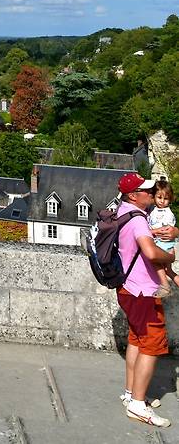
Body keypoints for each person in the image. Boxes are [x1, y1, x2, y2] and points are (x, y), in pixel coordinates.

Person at [116, 172, 177, 428]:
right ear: (134, 195)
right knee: (152, 344)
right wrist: (171, 257)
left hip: (127, 288)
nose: (152, 195)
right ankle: (138, 406)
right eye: (147, 192)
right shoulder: (139, 220)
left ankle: (131, 394)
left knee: (137, 339)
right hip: (143, 291)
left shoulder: (122, 211)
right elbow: (152, 253)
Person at [149, 180, 179, 298]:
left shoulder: (163, 213)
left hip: (163, 244)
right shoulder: (159, 210)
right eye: (159, 197)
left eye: (165, 198)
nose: (162, 201)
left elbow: (163, 230)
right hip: (168, 244)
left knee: (155, 262)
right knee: (169, 271)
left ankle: (165, 286)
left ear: (170, 199)